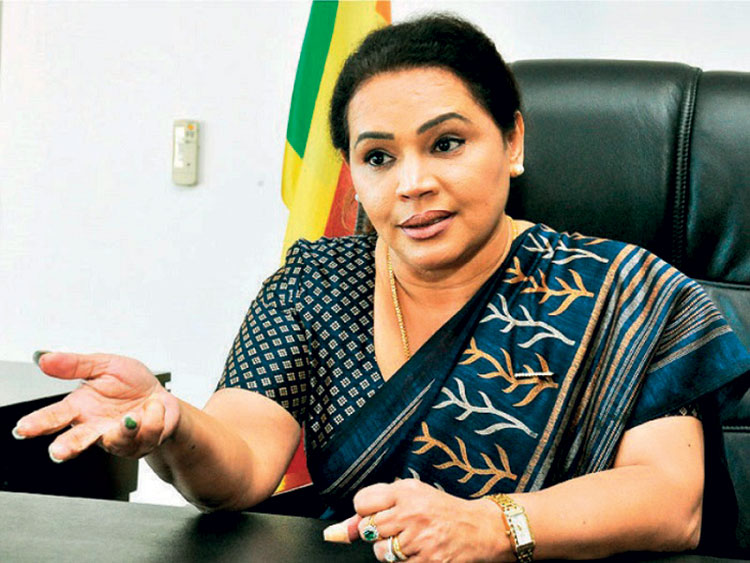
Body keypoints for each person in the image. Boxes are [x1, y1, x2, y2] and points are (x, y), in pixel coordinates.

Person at [12, 14, 750, 563]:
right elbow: (242, 464)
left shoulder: (628, 291)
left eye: (447, 143)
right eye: (378, 157)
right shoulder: (316, 283)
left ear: (513, 141)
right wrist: (174, 425)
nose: (412, 183)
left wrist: (491, 526)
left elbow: (668, 500)